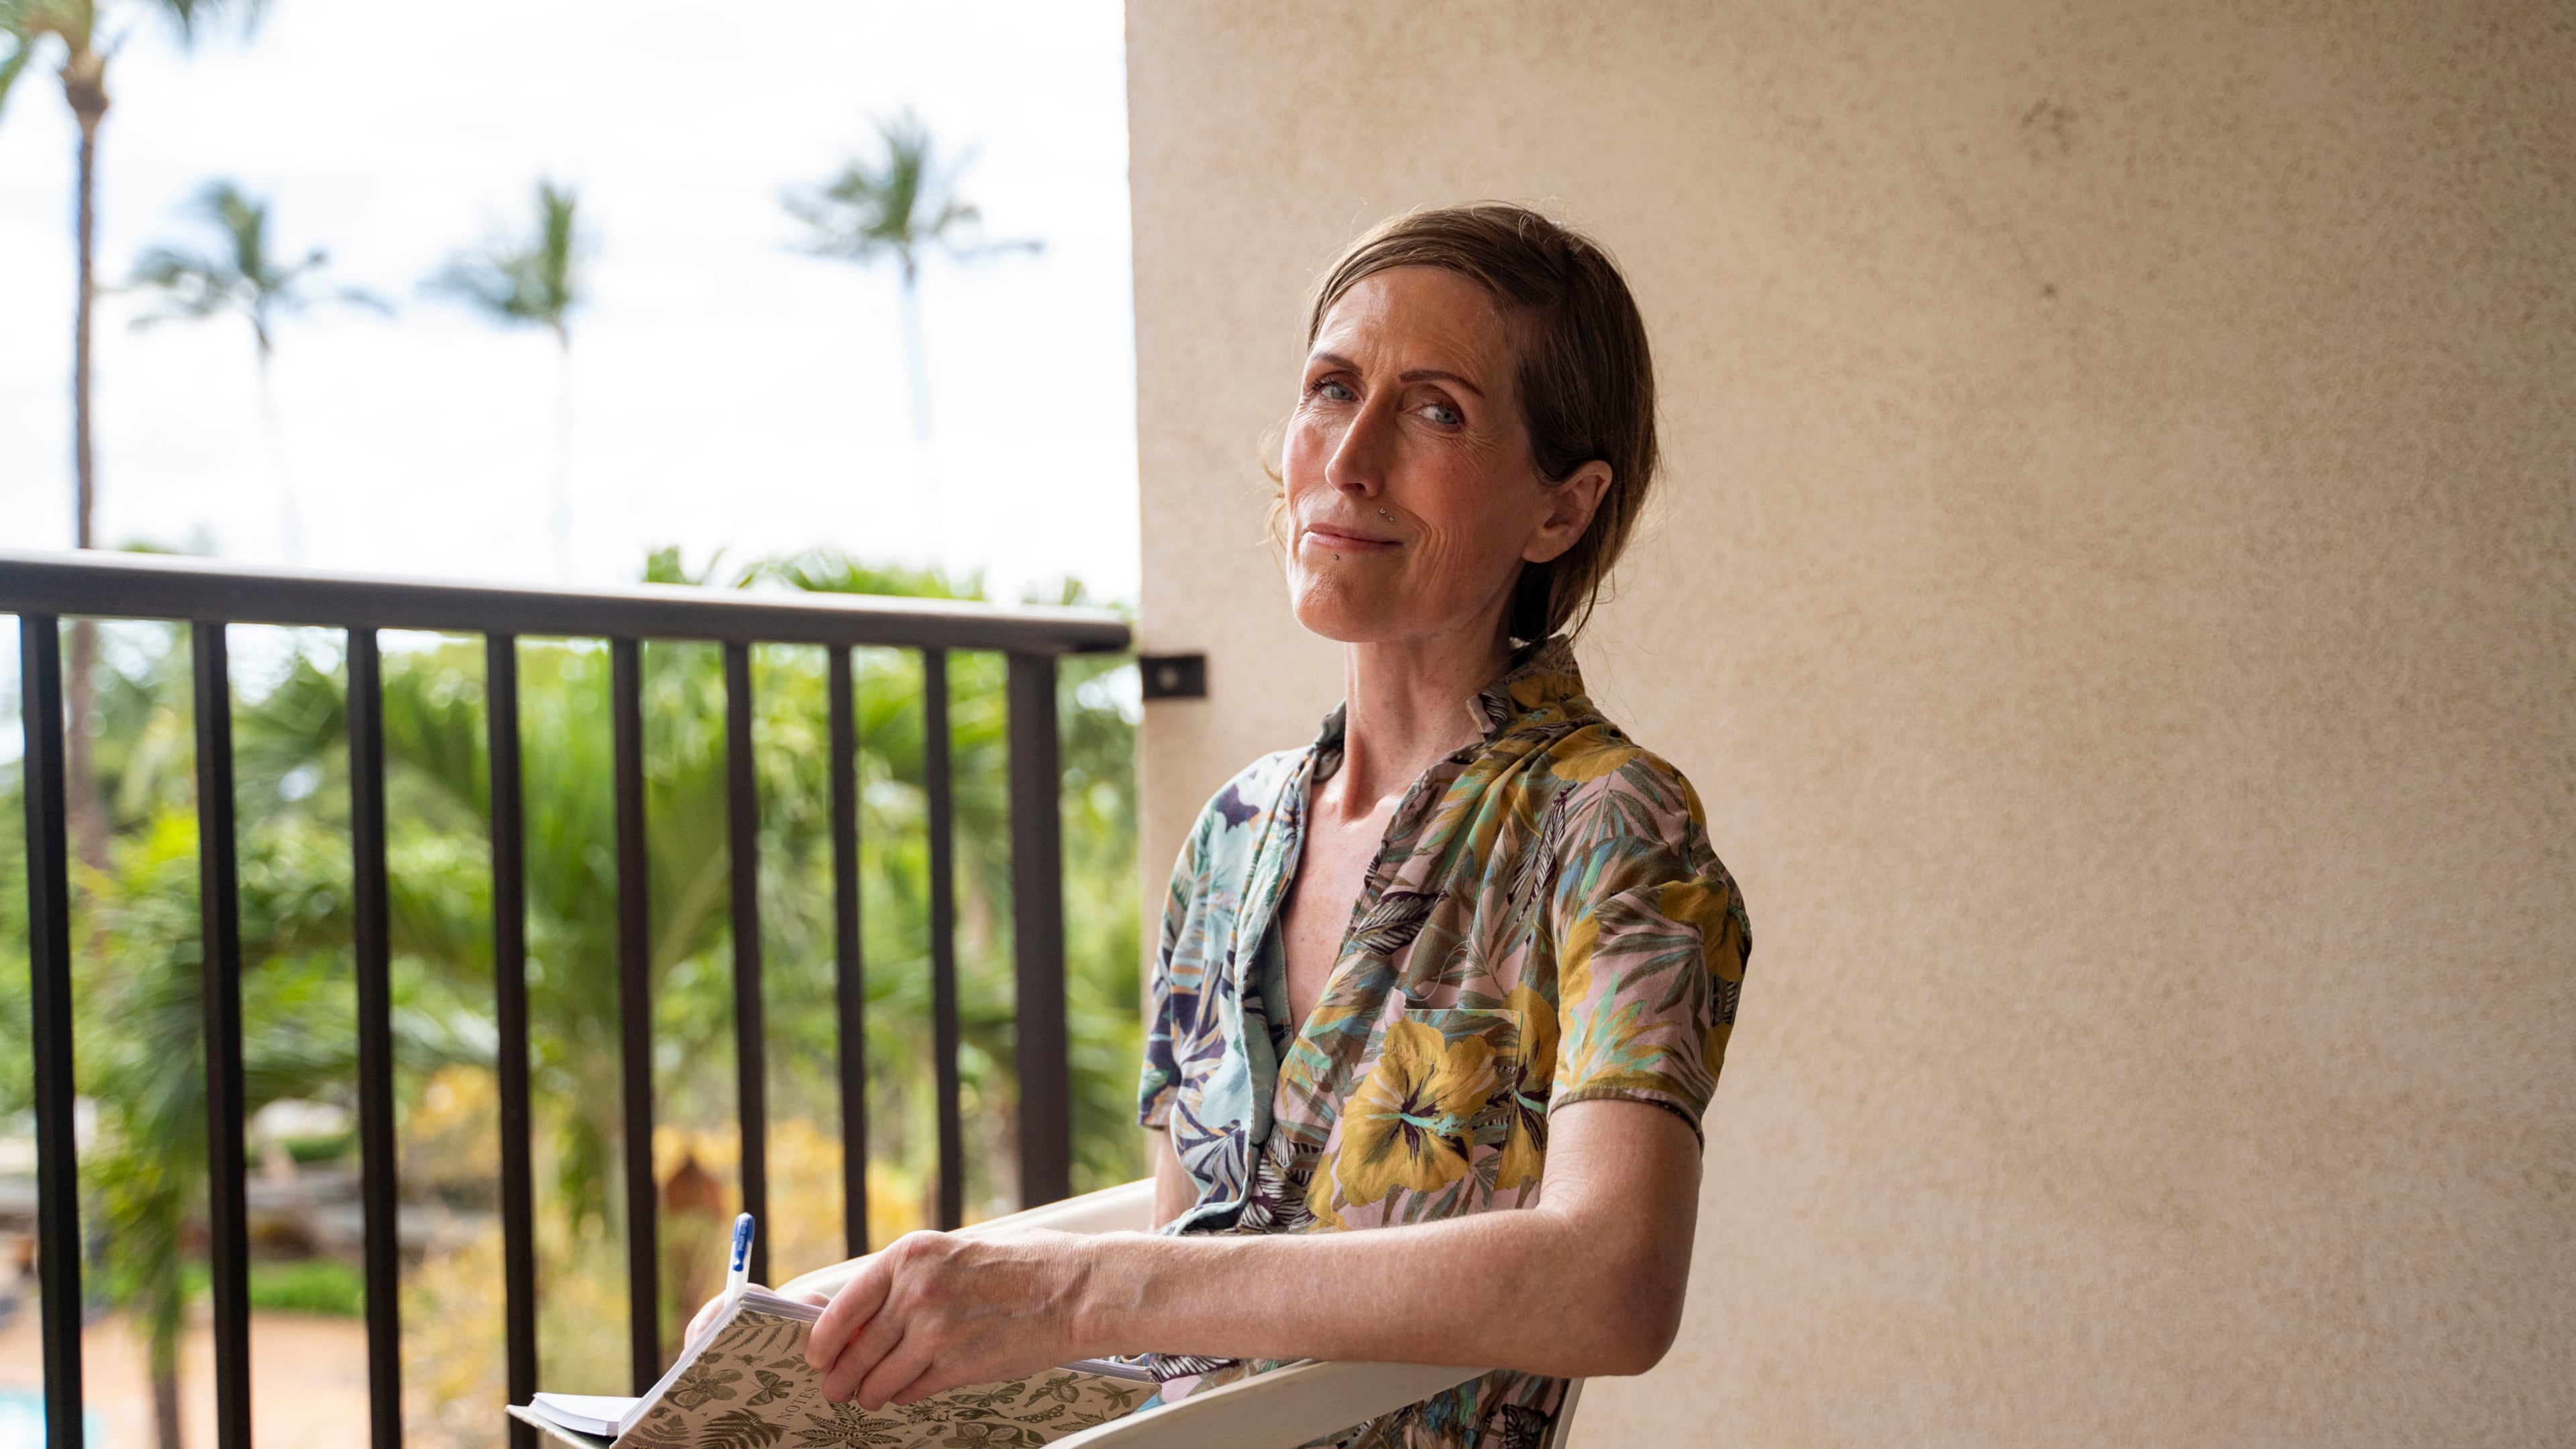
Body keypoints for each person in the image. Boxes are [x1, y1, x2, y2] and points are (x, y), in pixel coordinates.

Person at [693, 202, 1752, 1449]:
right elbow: (1195, 1243)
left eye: (1436, 411)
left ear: (1559, 512)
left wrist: (1079, 1292)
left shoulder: (1616, 829)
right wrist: (869, 1314)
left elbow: (1612, 1283)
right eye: (1331, 387)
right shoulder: (1237, 834)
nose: (1347, 458)